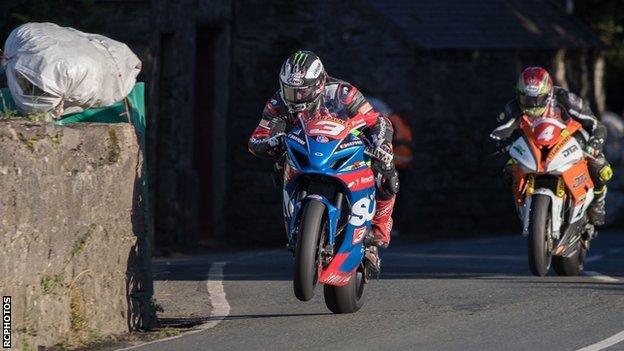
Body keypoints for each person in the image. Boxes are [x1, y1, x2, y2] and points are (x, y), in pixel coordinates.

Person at [248, 50, 399, 248]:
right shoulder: (278, 102)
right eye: (290, 90)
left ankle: (380, 228)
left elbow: (377, 120)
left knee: (386, 173)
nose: (295, 97)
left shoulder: (343, 93)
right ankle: (297, 221)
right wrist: (272, 143)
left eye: (302, 91)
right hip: (306, 152)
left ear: (318, 84)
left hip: (346, 149)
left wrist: (382, 145)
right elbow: (257, 138)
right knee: (279, 168)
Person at [490, 66, 613, 225]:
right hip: (534, 147)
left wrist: (595, 141)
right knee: (509, 168)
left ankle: (598, 202)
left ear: (548, 94)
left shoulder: (565, 98)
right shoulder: (513, 107)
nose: (532, 106)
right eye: (527, 100)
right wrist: (500, 142)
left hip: (569, 139)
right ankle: (525, 204)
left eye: (537, 100)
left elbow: (596, 125)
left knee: (599, 165)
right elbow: (500, 130)